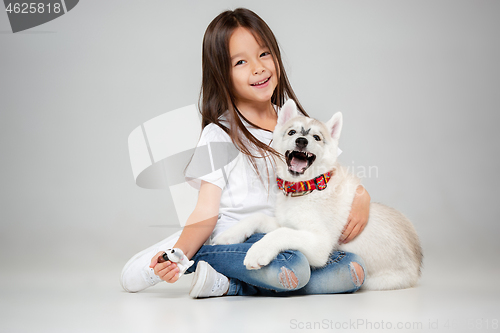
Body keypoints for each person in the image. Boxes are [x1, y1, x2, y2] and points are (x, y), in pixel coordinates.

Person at [121, 8, 371, 298]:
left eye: (264, 54)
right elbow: (205, 211)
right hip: (238, 238)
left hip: (281, 235)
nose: (258, 67)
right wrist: (181, 251)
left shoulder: (295, 125)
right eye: (241, 61)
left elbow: (335, 176)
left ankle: (231, 285)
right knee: (293, 266)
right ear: (222, 75)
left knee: (352, 269)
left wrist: (361, 196)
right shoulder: (219, 134)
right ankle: (198, 258)